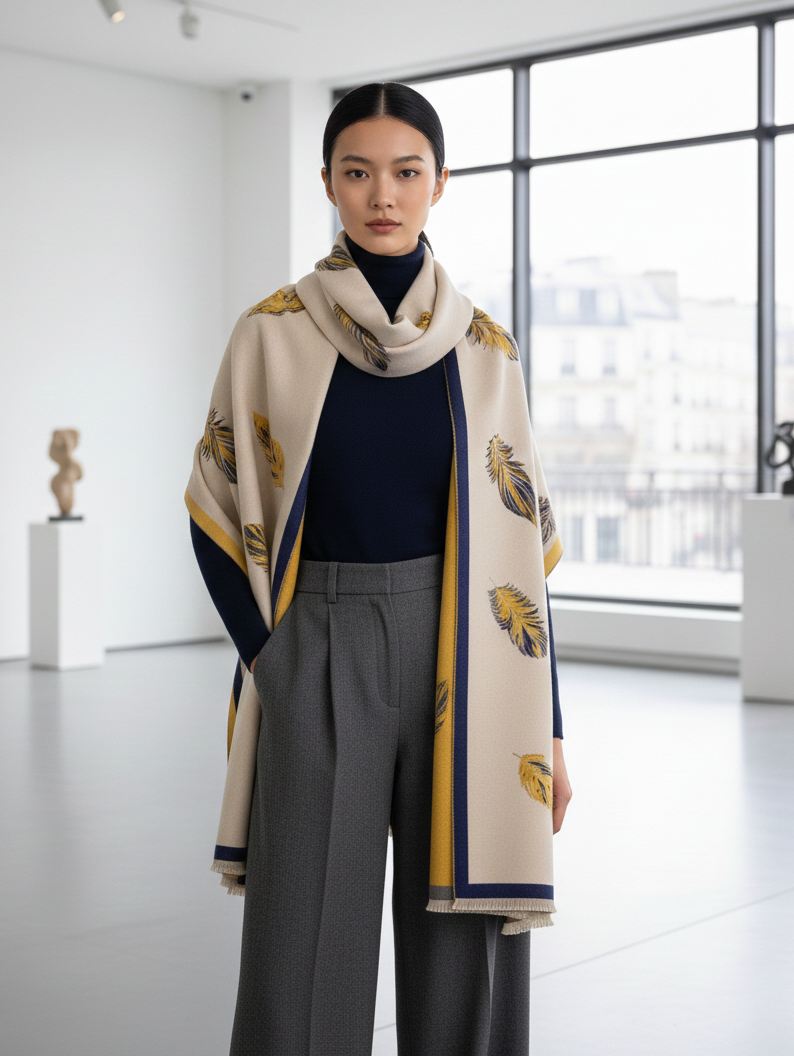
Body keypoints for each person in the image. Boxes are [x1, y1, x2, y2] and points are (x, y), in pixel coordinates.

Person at [186, 81, 572, 1056]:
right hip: (318, 644)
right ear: (327, 182)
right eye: (357, 172)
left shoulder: (485, 350)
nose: (382, 194)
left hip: (469, 649)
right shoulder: (271, 332)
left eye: (405, 171)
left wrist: (551, 729)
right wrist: (272, 658)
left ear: (439, 182)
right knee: (301, 935)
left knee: (465, 936)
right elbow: (213, 508)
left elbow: (521, 560)